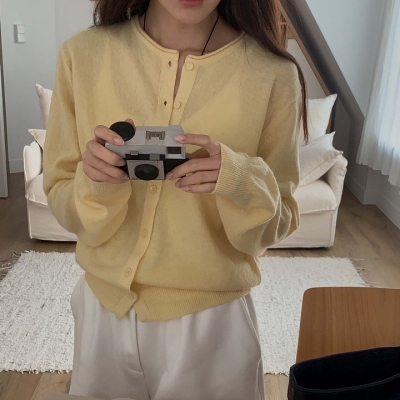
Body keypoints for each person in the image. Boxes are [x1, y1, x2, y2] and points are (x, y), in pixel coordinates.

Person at [43, 0, 309, 399]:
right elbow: (61, 195)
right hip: (103, 311)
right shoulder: (82, 56)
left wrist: (239, 178)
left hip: (212, 324)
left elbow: (280, 220)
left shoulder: (274, 75)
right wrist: (95, 182)